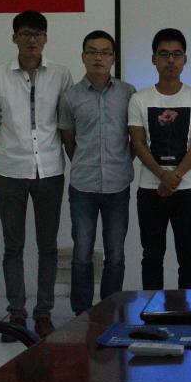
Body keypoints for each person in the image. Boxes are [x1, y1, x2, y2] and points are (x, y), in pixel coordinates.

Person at [0, 10, 73, 340]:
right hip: (10, 170)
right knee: (13, 246)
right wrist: (0, 159)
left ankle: (44, 313)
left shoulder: (61, 75)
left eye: (37, 34)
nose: (32, 40)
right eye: (25, 34)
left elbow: (66, 122)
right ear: (14, 38)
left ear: (45, 38)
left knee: (48, 246)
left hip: (50, 169)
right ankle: (17, 313)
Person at [59, 30, 136, 315]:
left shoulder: (128, 93)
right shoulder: (70, 96)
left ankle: (109, 310)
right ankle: (82, 313)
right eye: (92, 52)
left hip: (118, 185)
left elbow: (135, 139)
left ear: (113, 58)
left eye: (105, 52)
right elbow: (68, 140)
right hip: (83, 186)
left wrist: (122, 162)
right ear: (83, 57)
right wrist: (84, 162)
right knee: (82, 252)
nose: (98, 58)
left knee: (115, 253)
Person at [128, 28, 191, 290]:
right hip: (150, 190)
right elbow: (138, 143)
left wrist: (174, 176)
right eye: (164, 54)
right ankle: (153, 309)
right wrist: (163, 175)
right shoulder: (139, 99)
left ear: (185, 59)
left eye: (177, 54)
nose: (170, 60)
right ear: (154, 59)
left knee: (189, 256)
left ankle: (189, 308)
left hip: (187, 189)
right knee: (152, 256)